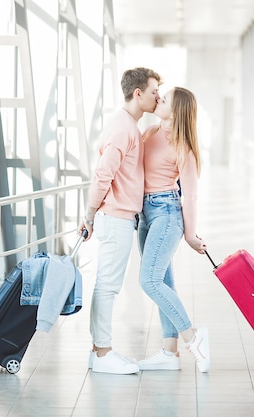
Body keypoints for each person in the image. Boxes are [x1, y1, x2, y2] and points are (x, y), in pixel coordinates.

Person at [78, 67, 161, 374]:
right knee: (107, 286)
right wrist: (88, 216)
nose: (158, 98)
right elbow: (103, 174)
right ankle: (101, 354)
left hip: (121, 216)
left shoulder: (129, 126)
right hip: (114, 217)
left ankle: (101, 350)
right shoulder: (123, 129)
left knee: (108, 284)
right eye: (154, 92)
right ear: (137, 93)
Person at [136, 87, 210, 373]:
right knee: (163, 284)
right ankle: (169, 352)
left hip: (166, 214)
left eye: (165, 99)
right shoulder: (149, 132)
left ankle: (192, 336)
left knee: (149, 281)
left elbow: (189, 194)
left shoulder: (183, 147)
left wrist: (190, 235)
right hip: (145, 214)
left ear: (177, 111)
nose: (159, 99)